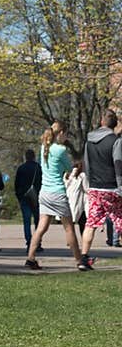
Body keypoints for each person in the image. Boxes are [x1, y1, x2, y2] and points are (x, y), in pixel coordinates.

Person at [25, 122, 88, 271]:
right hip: (58, 193)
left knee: (41, 227)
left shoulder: (44, 147)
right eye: (65, 134)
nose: (66, 137)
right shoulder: (61, 150)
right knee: (69, 228)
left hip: (44, 193)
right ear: (60, 133)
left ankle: (30, 258)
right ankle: (80, 261)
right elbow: (68, 168)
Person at [79, 109, 122, 265]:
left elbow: (87, 165)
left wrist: (91, 185)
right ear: (115, 124)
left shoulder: (89, 141)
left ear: (101, 122)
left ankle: (83, 258)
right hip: (112, 188)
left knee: (91, 223)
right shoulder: (115, 141)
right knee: (120, 220)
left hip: (96, 189)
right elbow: (118, 164)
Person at [14, 148, 42, 251]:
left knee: (26, 221)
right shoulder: (38, 167)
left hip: (24, 197)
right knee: (37, 221)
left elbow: (16, 184)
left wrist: (19, 196)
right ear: (34, 156)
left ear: (26, 157)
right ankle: (37, 242)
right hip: (36, 196)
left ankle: (29, 242)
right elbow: (41, 182)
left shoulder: (21, 168)